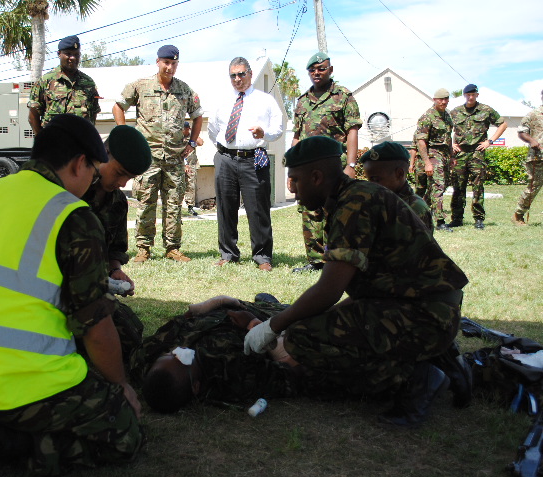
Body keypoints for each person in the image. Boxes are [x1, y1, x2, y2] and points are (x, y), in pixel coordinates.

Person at [0, 114, 143, 477]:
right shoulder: (74, 217)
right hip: (19, 379)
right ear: (80, 164)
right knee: (125, 433)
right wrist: (120, 388)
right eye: (94, 169)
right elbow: (96, 329)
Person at [244, 136, 470, 427]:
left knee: (303, 338)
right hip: (418, 307)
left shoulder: (355, 204)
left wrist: (274, 325)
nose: (292, 189)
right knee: (319, 326)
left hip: (425, 315)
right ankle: (432, 358)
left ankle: (414, 378)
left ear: (316, 177)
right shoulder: (354, 197)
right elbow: (369, 291)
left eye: (296, 180)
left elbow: (329, 289)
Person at [130, 295, 301, 413]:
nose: (177, 351)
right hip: (268, 323)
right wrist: (255, 325)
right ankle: (274, 306)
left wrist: (206, 306)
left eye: (168, 354)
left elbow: (183, 321)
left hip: (225, 309)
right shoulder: (234, 374)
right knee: (295, 313)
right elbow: (290, 368)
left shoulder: (147, 358)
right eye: (181, 360)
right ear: (196, 386)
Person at [113, 45, 203, 263]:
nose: (169, 67)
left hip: (174, 158)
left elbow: (198, 115)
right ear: (158, 62)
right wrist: (126, 136)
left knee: (173, 205)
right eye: (166, 63)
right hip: (148, 158)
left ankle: (172, 248)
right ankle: (143, 248)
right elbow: (118, 107)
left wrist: (192, 142)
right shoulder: (141, 86)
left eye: (173, 63)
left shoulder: (184, 90)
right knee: (146, 203)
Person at [81, 125, 152, 360]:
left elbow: (115, 248)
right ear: (105, 154)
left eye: (128, 178)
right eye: (120, 173)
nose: (122, 183)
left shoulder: (118, 202)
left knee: (130, 333)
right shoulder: (75, 189)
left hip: (95, 287)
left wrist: (115, 271)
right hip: (67, 288)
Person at [207, 56, 283, 271]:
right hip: (225, 159)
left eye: (241, 74)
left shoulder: (265, 100)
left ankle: (262, 257)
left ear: (250, 74)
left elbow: (278, 128)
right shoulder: (222, 100)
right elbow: (213, 129)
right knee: (225, 208)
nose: (237, 79)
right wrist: (225, 150)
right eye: (233, 75)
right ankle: (228, 254)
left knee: (258, 209)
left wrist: (264, 133)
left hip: (254, 158)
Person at [291, 52, 362, 273]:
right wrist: (292, 171)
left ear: (330, 70)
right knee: (310, 211)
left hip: (334, 166)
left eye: (321, 68)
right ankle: (315, 261)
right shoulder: (302, 101)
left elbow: (352, 131)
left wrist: (351, 165)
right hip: (307, 168)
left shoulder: (344, 96)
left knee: (337, 212)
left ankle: (338, 259)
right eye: (312, 70)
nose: (317, 73)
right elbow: (296, 136)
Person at [449, 84, 508, 230]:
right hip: (460, 153)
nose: (470, 97)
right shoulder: (455, 112)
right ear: (464, 95)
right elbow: (445, 129)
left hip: (477, 152)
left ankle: (479, 219)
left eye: (473, 94)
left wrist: (490, 141)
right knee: (458, 187)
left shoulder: (485, 110)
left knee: (478, 186)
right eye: (468, 95)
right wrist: (451, 144)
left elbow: (503, 124)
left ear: (477, 95)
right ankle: (456, 218)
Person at [28, 35, 101, 134]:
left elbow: (93, 114)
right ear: (59, 54)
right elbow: (33, 116)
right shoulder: (46, 81)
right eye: (68, 54)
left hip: (81, 141)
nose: (73, 58)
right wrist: (42, 140)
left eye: (76, 54)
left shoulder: (88, 82)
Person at [361, 141, 434, 235]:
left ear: (399, 174)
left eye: (376, 179)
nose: (371, 184)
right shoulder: (378, 200)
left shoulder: (413, 208)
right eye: (368, 179)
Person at [416, 88, 454, 232]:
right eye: (440, 99)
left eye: (446, 99)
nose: (444, 102)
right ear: (435, 100)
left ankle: (419, 211)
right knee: (438, 186)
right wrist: (427, 163)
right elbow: (421, 142)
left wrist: (452, 157)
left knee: (441, 185)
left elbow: (448, 138)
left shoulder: (447, 116)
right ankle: (440, 221)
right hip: (432, 153)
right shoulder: (427, 117)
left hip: (444, 155)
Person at [513, 89, 543, 226]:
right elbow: (522, 132)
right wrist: (531, 140)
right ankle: (518, 215)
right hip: (538, 157)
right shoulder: (533, 114)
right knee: (533, 187)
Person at [182, 120, 204, 216]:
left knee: (191, 186)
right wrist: (184, 164)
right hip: (180, 164)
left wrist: (193, 135)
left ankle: (190, 207)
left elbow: (201, 142)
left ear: (188, 129)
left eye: (184, 129)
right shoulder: (178, 138)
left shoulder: (192, 137)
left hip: (191, 165)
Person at [408, 130, 428, 200]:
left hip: (434, 161)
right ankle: (415, 203)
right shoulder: (418, 132)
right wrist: (411, 164)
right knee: (420, 187)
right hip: (420, 163)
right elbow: (414, 149)